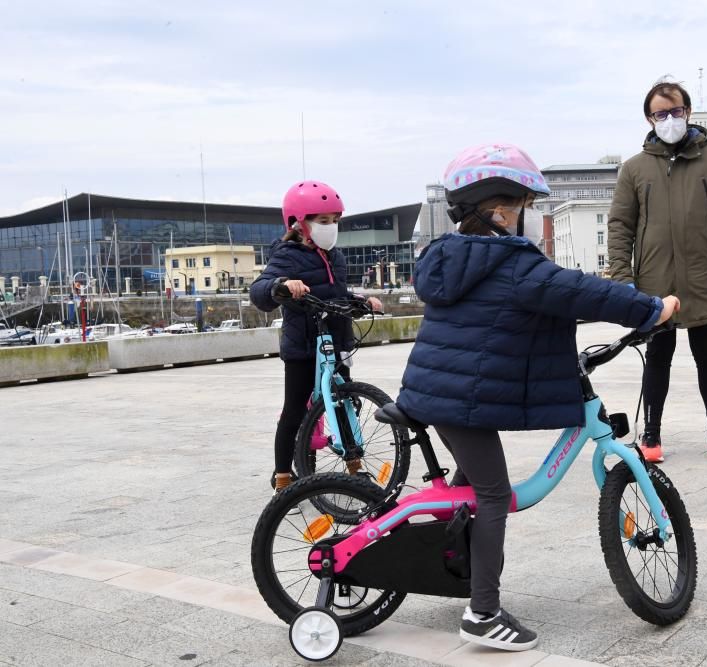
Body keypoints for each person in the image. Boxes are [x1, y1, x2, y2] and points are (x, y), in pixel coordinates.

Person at [394, 143, 678, 651]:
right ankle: (483, 614)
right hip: (458, 400)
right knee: (496, 494)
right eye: (527, 206)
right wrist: (652, 308)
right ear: (501, 212)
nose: (532, 217)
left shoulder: (454, 257)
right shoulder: (515, 265)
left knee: (473, 487)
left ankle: (460, 563)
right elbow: (583, 291)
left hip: (444, 394)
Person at [607, 75, 707, 463]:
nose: (668, 118)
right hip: (654, 282)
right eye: (660, 113)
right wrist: (623, 281)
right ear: (649, 119)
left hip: (706, 276)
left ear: (687, 111)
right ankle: (651, 435)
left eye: (675, 110)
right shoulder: (634, 169)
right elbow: (620, 227)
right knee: (657, 357)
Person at [250, 181, 382, 495]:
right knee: (294, 410)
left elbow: (334, 294)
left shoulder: (334, 256)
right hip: (304, 346)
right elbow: (261, 289)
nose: (331, 227)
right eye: (323, 221)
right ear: (299, 223)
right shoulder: (287, 255)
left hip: (336, 341)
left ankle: (354, 468)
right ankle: (284, 477)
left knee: (344, 402)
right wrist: (282, 285)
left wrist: (359, 302)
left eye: (335, 221)